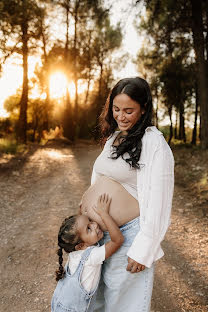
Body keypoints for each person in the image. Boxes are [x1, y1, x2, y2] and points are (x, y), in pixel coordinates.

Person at [80, 77, 174, 311]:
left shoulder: (154, 143)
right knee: (95, 300)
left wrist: (145, 248)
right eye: (116, 109)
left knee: (123, 305)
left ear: (143, 109)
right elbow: (99, 178)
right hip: (99, 233)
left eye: (128, 111)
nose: (120, 116)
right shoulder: (114, 137)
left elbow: (160, 201)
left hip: (128, 236)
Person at [51, 194, 124, 312]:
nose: (95, 224)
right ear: (81, 245)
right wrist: (104, 214)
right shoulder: (92, 256)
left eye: (90, 221)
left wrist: (81, 211)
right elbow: (118, 240)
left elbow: (78, 229)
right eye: (89, 228)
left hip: (59, 304)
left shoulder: (75, 252)